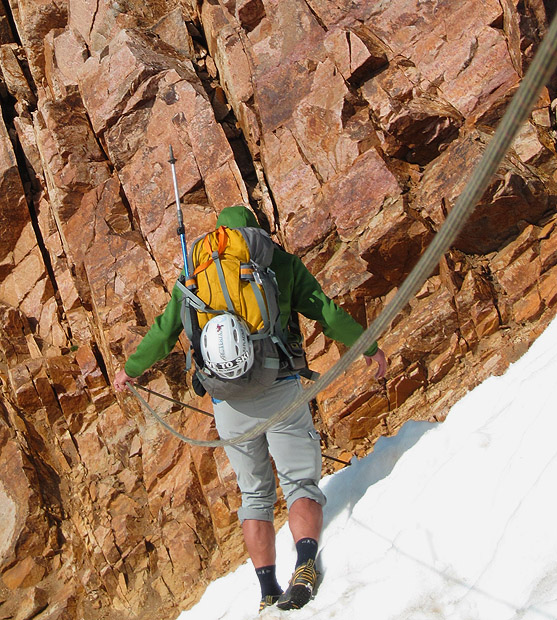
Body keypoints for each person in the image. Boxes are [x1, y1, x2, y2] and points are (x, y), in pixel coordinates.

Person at [114, 205, 386, 612]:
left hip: (228, 401)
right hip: (280, 388)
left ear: (220, 233)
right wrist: (367, 345)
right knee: (299, 484)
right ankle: (306, 567)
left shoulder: (196, 271)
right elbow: (325, 311)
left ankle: (266, 592)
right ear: (255, 232)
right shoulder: (278, 262)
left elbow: (164, 330)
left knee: (254, 495)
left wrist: (130, 370)